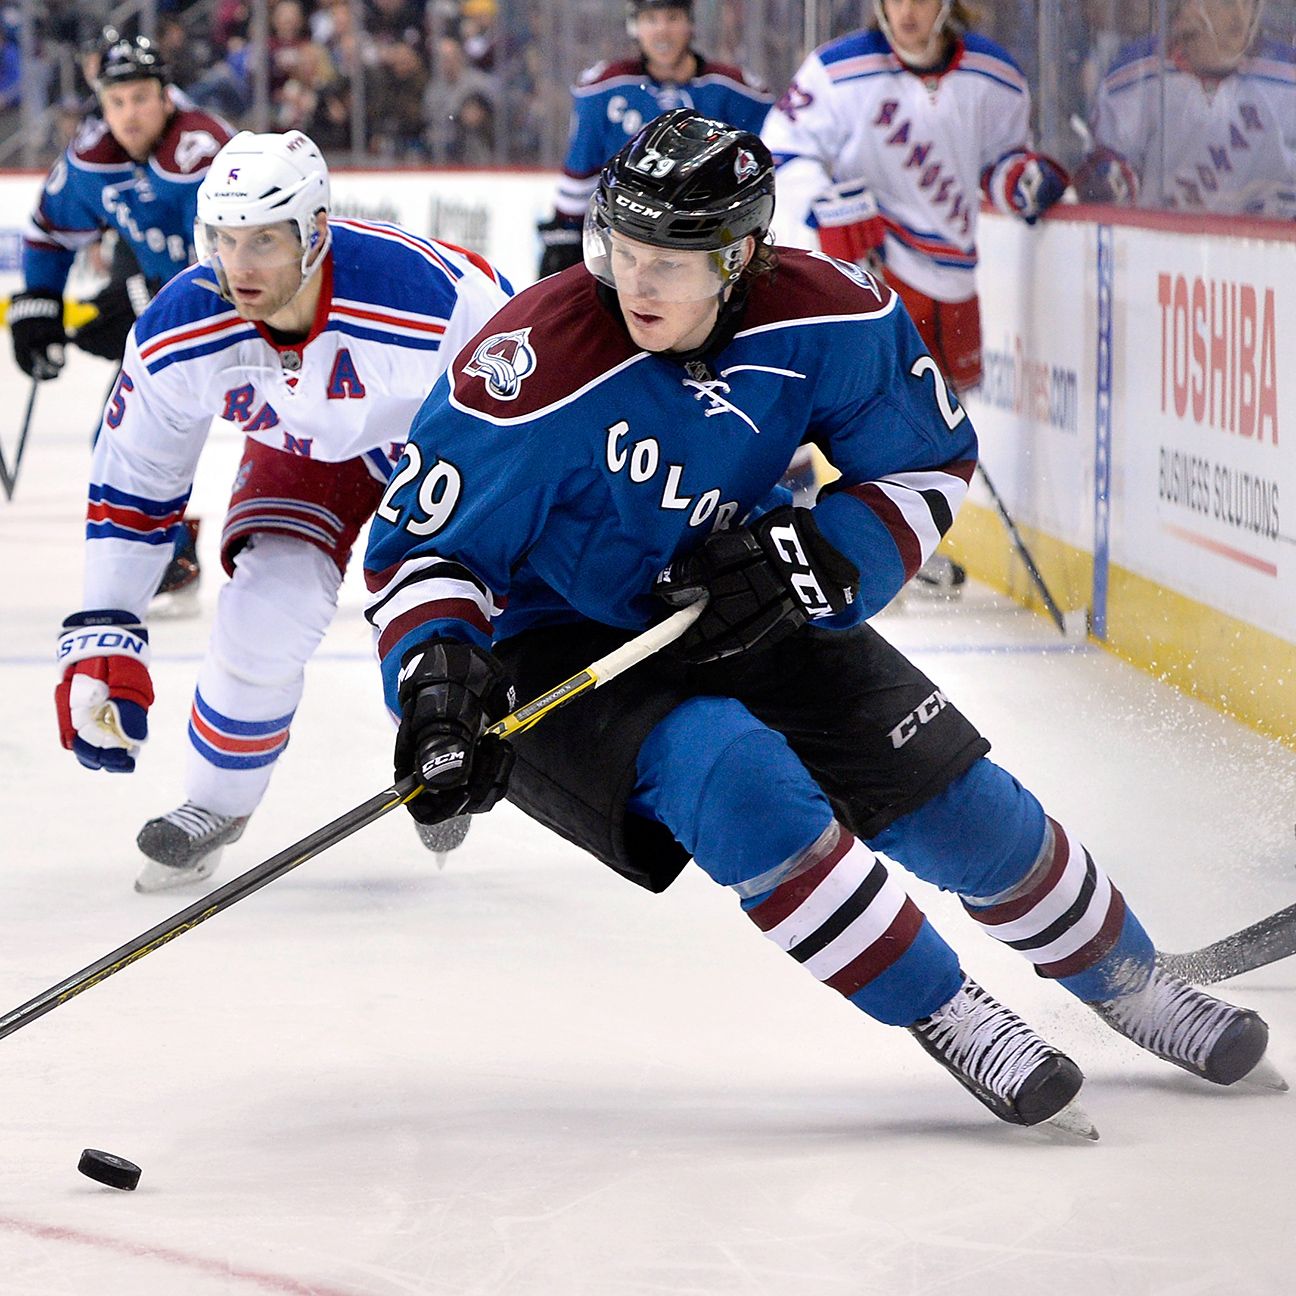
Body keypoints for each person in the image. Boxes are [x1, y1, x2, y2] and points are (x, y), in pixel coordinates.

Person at [364, 109, 1281, 1134]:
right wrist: (440, 680)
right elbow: (420, 551)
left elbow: (926, 460)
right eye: (620, 250)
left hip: (744, 588)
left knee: (958, 804)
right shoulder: (533, 364)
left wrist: (810, 559)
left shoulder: (833, 316)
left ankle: (1135, 985)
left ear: (739, 257)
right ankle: (950, 1011)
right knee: (737, 780)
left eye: (668, 262)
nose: (634, 282)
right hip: (556, 632)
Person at [53, 129, 513, 894]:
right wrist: (107, 628)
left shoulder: (435, 301)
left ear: (315, 232)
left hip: (437, 440)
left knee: (436, 609)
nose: (239, 265)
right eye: (224, 239)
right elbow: (135, 482)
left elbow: (526, 421)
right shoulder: (180, 326)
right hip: (304, 450)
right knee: (268, 604)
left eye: (264, 240)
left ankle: (438, 740)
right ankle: (215, 801)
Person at [761, 0, 1070, 592]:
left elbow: (999, 161)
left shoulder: (995, 74)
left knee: (941, 417)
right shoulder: (837, 69)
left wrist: (1021, 180)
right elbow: (780, 151)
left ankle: (913, 538)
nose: (906, 11)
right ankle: (848, 536)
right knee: (869, 409)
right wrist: (825, 199)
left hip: (954, 272)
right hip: (873, 268)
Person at [11, 28, 234, 614]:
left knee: (317, 434)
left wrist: (143, 299)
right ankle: (171, 558)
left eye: (140, 97)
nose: (129, 114)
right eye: (116, 101)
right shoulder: (94, 157)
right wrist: (38, 305)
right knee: (120, 434)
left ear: (166, 95)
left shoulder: (203, 153)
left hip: (263, 324)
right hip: (180, 324)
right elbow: (49, 231)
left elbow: (240, 268)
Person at [536, 0, 772, 280]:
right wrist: (566, 230)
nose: (662, 30)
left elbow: (761, 176)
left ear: (690, 24)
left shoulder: (739, 92)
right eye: (650, 19)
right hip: (624, 241)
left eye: (672, 18)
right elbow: (581, 165)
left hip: (705, 244)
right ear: (634, 27)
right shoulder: (605, 87)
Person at [1075, 0, 1296, 217]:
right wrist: (1108, 181)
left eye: (1248, 4)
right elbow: (1107, 179)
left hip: (1266, 240)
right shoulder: (1137, 75)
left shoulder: (1287, 76)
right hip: (1158, 238)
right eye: (1225, 3)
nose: (1240, 17)